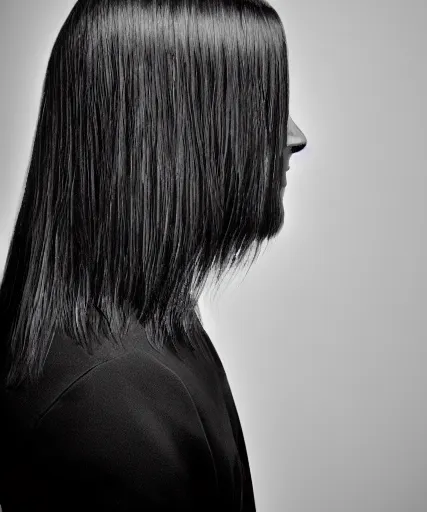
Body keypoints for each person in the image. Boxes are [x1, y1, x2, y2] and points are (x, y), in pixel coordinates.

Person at [0, 0, 307, 510]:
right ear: (175, 130)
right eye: (265, 106)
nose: (295, 136)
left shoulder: (151, 329)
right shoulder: (111, 404)